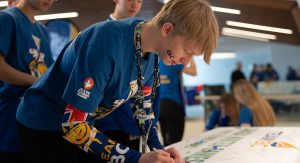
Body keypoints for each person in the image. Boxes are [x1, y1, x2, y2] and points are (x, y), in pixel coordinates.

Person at [16, 0, 219, 162]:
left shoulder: (154, 53)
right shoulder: (105, 44)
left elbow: (143, 110)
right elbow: (74, 126)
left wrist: (160, 152)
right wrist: (137, 158)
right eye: (188, 52)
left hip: (81, 126)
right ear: (167, 30)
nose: (186, 61)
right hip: (43, 123)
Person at [0, 0, 54, 162]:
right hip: (11, 117)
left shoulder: (43, 31)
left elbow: (47, 74)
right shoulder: (7, 19)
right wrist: (37, 81)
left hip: (36, 120)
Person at [93, 0, 144, 151]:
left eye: (139, 1)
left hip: (133, 125)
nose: (135, 4)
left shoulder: (143, 39)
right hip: (104, 127)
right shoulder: (100, 34)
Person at [159, 58, 197, 146]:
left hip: (160, 105)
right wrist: (191, 57)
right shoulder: (173, 63)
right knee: (175, 141)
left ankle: (166, 159)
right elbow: (193, 72)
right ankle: (172, 159)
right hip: (173, 104)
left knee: (166, 141)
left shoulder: (158, 62)